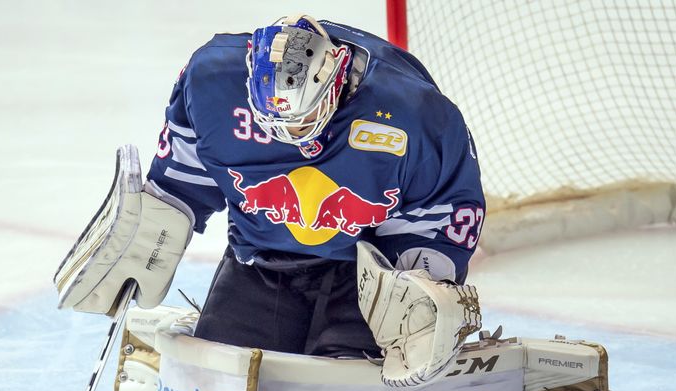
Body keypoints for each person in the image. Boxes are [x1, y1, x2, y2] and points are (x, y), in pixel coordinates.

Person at [146, 14, 486, 361]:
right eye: (273, 124)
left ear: (336, 78)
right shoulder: (212, 82)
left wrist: (422, 289)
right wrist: (152, 225)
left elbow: (444, 209)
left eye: (303, 121)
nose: (287, 136)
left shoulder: (416, 113)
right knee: (220, 372)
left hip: (367, 274)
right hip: (261, 260)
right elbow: (183, 174)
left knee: (355, 386)